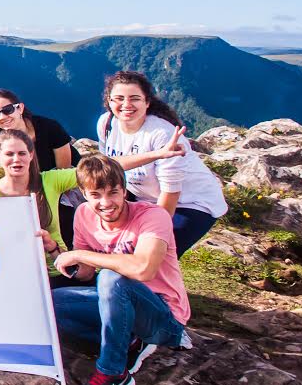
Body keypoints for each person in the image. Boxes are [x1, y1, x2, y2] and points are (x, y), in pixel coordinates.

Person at [52, 154, 192, 385]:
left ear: (124, 191)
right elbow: (86, 272)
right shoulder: (83, 215)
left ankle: (113, 373)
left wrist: (83, 254)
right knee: (50, 304)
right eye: (96, 195)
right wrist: (58, 254)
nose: (106, 203)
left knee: (112, 278)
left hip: (164, 316)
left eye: (113, 193)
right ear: (84, 194)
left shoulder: (153, 217)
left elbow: (143, 269)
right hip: (117, 302)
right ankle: (129, 341)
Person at [97, 71, 228, 256]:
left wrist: (153, 234)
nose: (126, 105)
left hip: (190, 203)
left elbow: (171, 193)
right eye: (118, 98)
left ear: (147, 102)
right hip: (144, 199)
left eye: (134, 98)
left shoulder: (162, 135)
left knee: (155, 255)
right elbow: (110, 166)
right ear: (109, 101)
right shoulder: (107, 124)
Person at [0, 129, 73, 247]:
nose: (16, 159)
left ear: (31, 155)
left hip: (56, 262)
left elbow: (91, 174)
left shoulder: (50, 180)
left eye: (22, 153)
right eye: (9, 154)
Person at [0, 89, 78, 187]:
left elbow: (63, 170)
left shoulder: (49, 127)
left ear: (20, 108)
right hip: (29, 183)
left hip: (64, 179)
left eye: (8, 110)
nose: (2, 117)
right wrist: (1, 195)